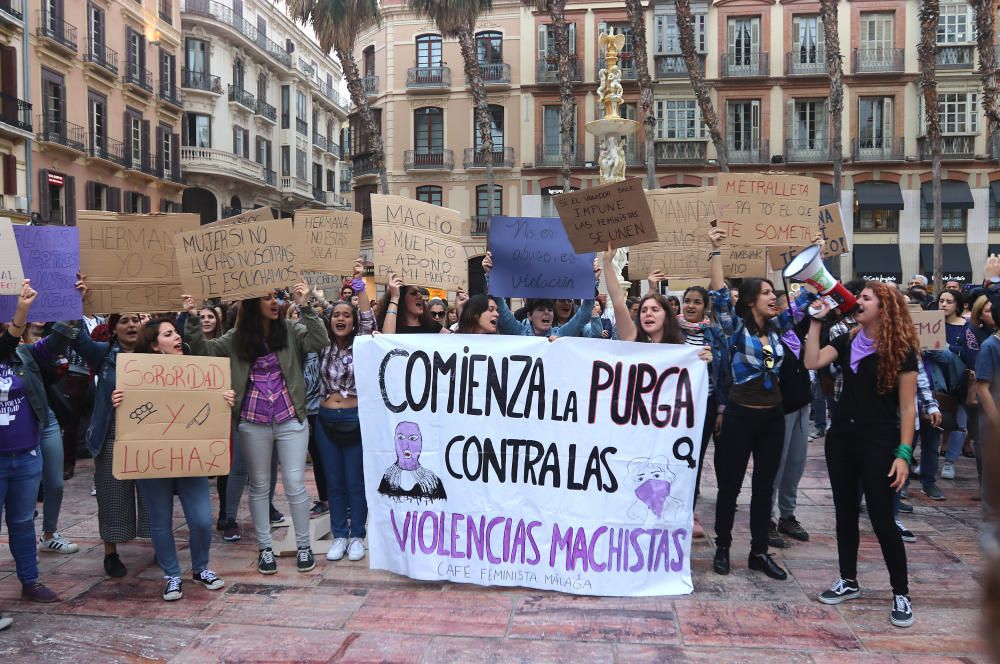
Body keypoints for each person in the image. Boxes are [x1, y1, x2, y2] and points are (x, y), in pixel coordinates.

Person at [184, 284, 330, 575]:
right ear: (252, 305)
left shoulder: (289, 329)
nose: (274, 302)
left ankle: (304, 546)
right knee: (261, 486)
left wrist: (304, 306)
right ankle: (265, 548)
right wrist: (190, 318)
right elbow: (203, 351)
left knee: (295, 484)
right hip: (252, 422)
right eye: (266, 298)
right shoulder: (236, 338)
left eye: (275, 297)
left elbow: (319, 340)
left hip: (290, 418)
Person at [804, 281, 918, 628]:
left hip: (879, 442)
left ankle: (901, 592)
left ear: (884, 308)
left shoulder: (902, 350)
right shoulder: (847, 339)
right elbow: (812, 360)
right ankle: (848, 579)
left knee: (883, 519)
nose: (859, 301)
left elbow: (908, 409)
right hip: (842, 438)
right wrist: (816, 321)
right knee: (845, 513)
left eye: (866, 298)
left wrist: (903, 454)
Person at [708, 227, 817, 581]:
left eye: (774, 292)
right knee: (730, 486)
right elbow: (721, 296)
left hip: (772, 418)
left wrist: (815, 253)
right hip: (740, 417)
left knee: (763, 487)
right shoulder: (736, 330)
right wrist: (716, 251)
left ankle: (758, 552)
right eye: (767, 293)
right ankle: (723, 547)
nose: (774, 297)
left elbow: (804, 299)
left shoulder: (778, 329)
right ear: (752, 299)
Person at [111, 318, 231, 601]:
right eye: (169, 334)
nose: (177, 337)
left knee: (202, 520)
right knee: (160, 521)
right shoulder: (134, 373)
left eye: (176, 332)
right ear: (154, 346)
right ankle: (172, 575)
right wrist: (118, 400)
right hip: (154, 459)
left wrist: (224, 397)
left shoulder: (199, 370)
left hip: (192, 457)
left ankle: (201, 568)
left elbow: (211, 407)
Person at [59, 284, 151, 577]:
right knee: (112, 494)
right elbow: (76, 338)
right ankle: (110, 553)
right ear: (114, 329)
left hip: (148, 436)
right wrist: (78, 303)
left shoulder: (156, 354)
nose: (131, 324)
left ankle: (161, 544)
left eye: (135, 319)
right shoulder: (102, 354)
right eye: (124, 320)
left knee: (153, 496)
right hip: (112, 433)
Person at [0, 280, 69, 623]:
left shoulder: (23, 352)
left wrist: (70, 304)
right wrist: (20, 316)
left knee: (23, 522)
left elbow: (56, 342)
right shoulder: (8, 344)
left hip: (26, 455)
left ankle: (30, 580)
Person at [316, 260, 375, 562]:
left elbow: (367, 315)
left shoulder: (362, 344)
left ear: (353, 322)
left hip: (355, 420)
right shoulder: (322, 346)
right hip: (326, 420)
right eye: (336, 314)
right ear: (330, 320)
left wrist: (359, 281)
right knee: (334, 481)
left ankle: (357, 536)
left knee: (355, 481)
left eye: (346, 315)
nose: (341, 318)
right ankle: (339, 534)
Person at [481, 251, 601, 338]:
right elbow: (501, 307)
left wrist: (591, 281)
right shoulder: (517, 331)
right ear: (529, 315)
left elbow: (583, 314)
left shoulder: (559, 334)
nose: (547, 313)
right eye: (540, 309)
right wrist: (491, 275)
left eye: (550, 309)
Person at [938, 289, 978, 480]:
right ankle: (928, 462)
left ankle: (950, 462)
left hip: (960, 381)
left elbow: (971, 353)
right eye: (941, 300)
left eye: (949, 301)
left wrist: (948, 348)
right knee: (932, 423)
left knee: (960, 424)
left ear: (959, 305)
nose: (944, 304)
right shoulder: (933, 324)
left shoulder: (968, 327)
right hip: (937, 381)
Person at [377, 276, 451, 334]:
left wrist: (460, 308)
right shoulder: (391, 326)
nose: (420, 296)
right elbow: (387, 339)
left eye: (419, 293)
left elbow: (456, 340)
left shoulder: (432, 326)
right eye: (413, 293)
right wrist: (394, 297)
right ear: (401, 299)